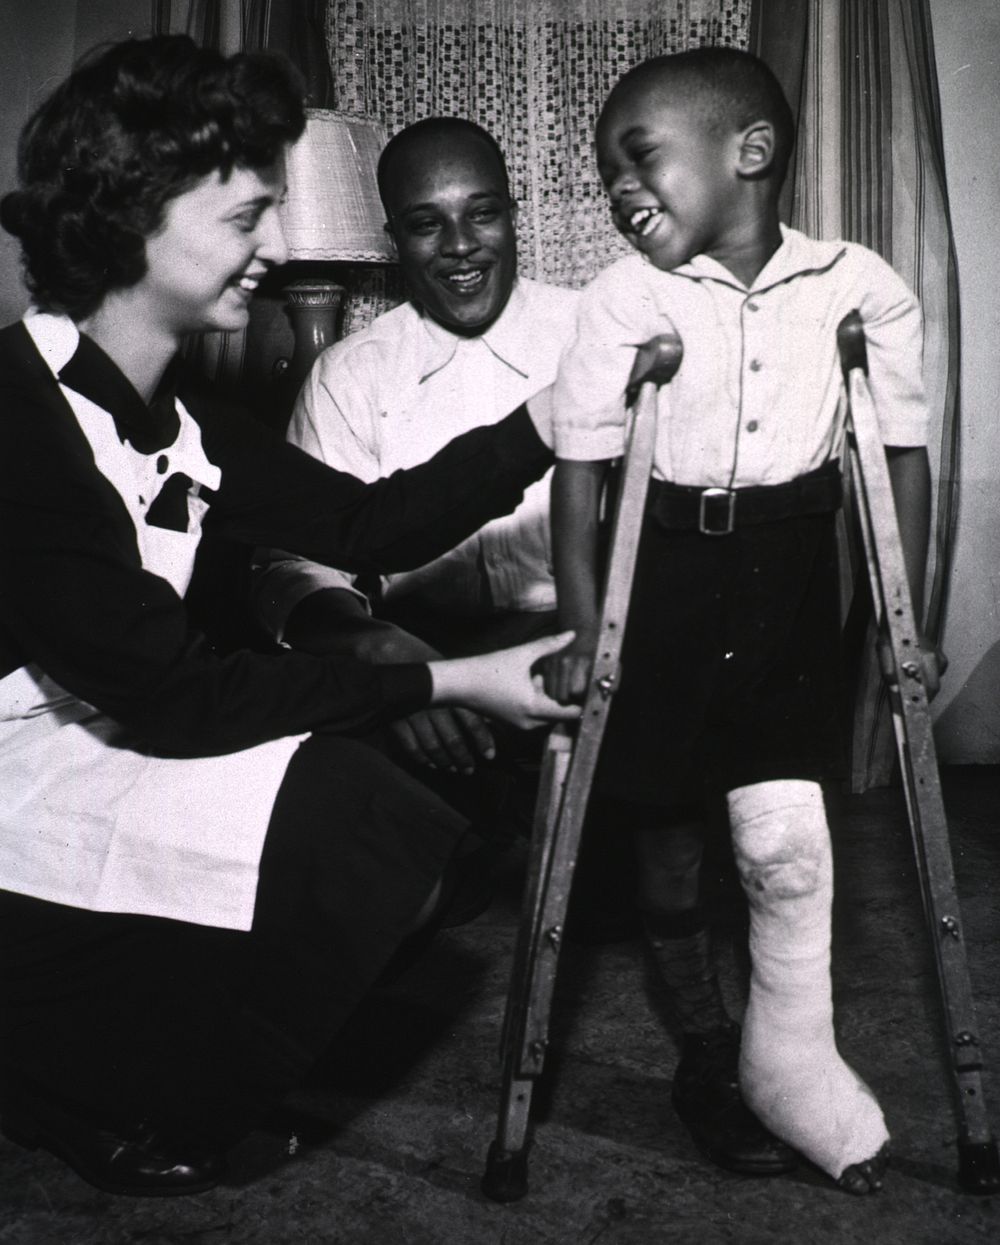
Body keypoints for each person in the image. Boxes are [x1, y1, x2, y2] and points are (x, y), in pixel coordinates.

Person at [0, 34, 581, 1198]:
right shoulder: (19, 417)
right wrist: (454, 680)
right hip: (24, 749)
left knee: (390, 828)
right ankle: (59, 1084)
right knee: (344, 817)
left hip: (101, 716)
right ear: (127, 223)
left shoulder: (188, 416)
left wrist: (554, 416)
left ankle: (134, 1063)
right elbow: (178, 696)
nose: (276, 248)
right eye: (243, 218)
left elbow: (370, 529)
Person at [543, 47, 943, 1195]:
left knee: (783, 847)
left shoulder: (857, 287)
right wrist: (584, 629)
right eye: (606, 171)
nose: (619, 191)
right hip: (659, 573)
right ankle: (713, 1050)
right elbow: (581, 477)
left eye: (639, 158)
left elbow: (898, 459)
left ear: (748, 153)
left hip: (784, 580)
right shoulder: (626, 298)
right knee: (666, 840)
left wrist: (895, 617)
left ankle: (789, 1062)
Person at [255, 116, 642, 944]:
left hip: (576, 643)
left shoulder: (597, 335)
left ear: (513, 215)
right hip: (424, 648)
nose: (462, 245)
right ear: (395, 240)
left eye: (484, 213)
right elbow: (294, 565)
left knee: (626, 885)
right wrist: (386, 656)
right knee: (356, 873)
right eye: (428, 223)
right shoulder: (350, 372)